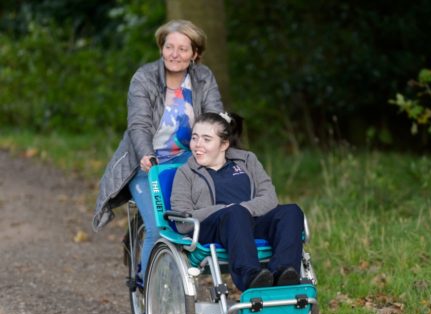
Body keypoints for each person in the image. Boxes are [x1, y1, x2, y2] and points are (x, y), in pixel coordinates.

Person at [92, 20, 223, 285]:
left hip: (188, 159)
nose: (175, 54)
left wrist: (220, 145)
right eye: (169, 47)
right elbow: (138, 124)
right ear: (161, 49)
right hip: (146, 162)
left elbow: (214, 117)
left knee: (206, 216)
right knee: (158, 227)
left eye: (183, 49)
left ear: (195, 54)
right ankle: (146, 282)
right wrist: (146, 154)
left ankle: (199, 271)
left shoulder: (203, 77)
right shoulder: (144, 77)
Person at [170, 112, 303, 291]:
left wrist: (242, 209)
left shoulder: (247, 160)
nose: (197, 145)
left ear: (224, 144)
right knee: (235, 214)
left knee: (291, 211)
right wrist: (225, 210)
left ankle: (284, 273)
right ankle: (250, 276)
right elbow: (182, 220)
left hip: (251, 221)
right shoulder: (186, 173)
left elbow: (269, 198)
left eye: (206, 139)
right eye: (195, 138)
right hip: (213, 228)